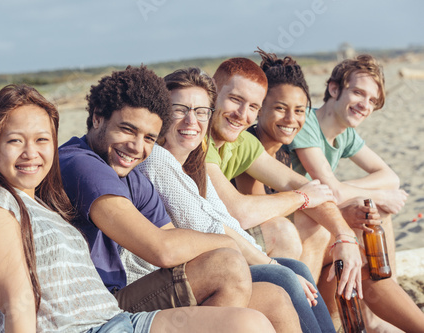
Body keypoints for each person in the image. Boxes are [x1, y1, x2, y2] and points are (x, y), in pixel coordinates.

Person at [0, 84, 275, 333]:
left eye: (42, 140)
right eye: (15, 141)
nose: (31, 153)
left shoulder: (38, 202)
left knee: (255, 319)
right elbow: (17, 306)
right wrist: (229, 242)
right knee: (249, 325)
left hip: (115, 319)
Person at [58, 65, 295, 327]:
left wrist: (224, 243)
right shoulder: (81, 163)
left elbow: (172, 236)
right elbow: (163, 250)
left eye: (149, 137)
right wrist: (226, 243)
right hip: (96, 310)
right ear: (97, 118)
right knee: (226, 266)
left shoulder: (131, 174)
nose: (137, 147)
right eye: (127, 129)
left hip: (122, 294)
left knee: (274, 297)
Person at [137, 67, 336, 332]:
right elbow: (207, 227)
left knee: (293, 268)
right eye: (180, 109)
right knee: (284, 276)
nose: (191, 121)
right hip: (159, 280)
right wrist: (270, 264)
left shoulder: (191, 163)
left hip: (200, 266)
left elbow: (223, 218)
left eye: (200, 112)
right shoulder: (157, 159)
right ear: (161, 113)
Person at [204, 56, 364, 300]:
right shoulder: (197, 140)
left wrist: (345, 236)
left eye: (252, 107)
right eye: (235, 100)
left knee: (328, 235)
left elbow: (304, 185)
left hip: (223, 237)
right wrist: (302, 197)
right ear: (212, 94)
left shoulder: (243, 142)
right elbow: (240, 211)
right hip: (197, 247)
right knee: (283, 231)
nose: (242, 114)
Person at [286, 54, 424, 332]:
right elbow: (330, 190)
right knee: (371, 205)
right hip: (297, 227)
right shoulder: (307, 124)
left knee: (373, 209)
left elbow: (390, 177)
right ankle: (379, 313)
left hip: (319, 219)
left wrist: (375, 196)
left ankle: (384, 301)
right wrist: (376, 195)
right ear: (335, 89)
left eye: (372, 101)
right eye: (358, 93)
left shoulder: (344, 134)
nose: (365, 105)